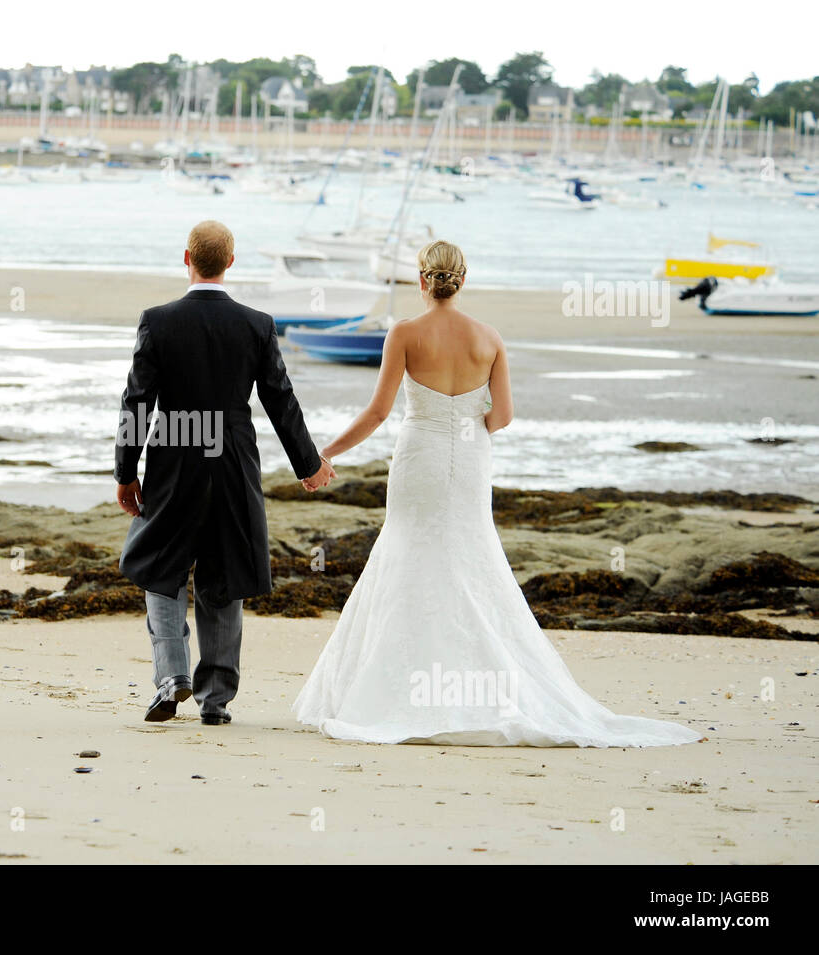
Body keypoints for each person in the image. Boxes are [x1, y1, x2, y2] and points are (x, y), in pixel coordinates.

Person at [292, 240, 702, 748]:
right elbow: (502, 417)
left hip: (418, 455)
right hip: (469, 457)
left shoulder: (403, 333)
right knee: (470, 553)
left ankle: (397, 687)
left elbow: (378, 413)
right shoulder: (488, 338)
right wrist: (463, 422)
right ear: (463, 280)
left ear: (422, 281)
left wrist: (323, 457)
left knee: (408, 549)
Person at [115, 220, 334, 725]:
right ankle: (215, 701)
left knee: (158, 567)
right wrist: (309, 465)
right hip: (234, 462)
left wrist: (126, 472)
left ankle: (172, 676)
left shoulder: (158, 320)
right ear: (230, 263)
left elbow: (137, 404)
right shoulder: (256, 324)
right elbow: (281, 399)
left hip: (173, 462)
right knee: (224, 575)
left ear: (186, 258)